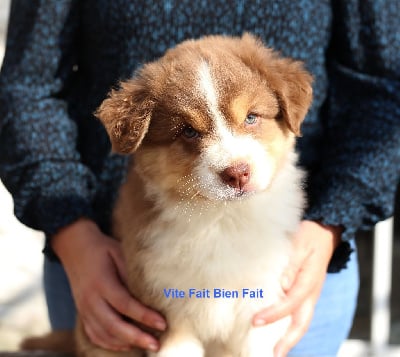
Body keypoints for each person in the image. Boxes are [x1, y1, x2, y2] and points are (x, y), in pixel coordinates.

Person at [0, 1, 399, 356]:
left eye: (251, 118)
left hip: (305, 258)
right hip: (108, 272)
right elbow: (27, 86)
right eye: (190, 132)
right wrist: (73, 233)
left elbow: (385, 85)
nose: (233, 160)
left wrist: (330, 221)